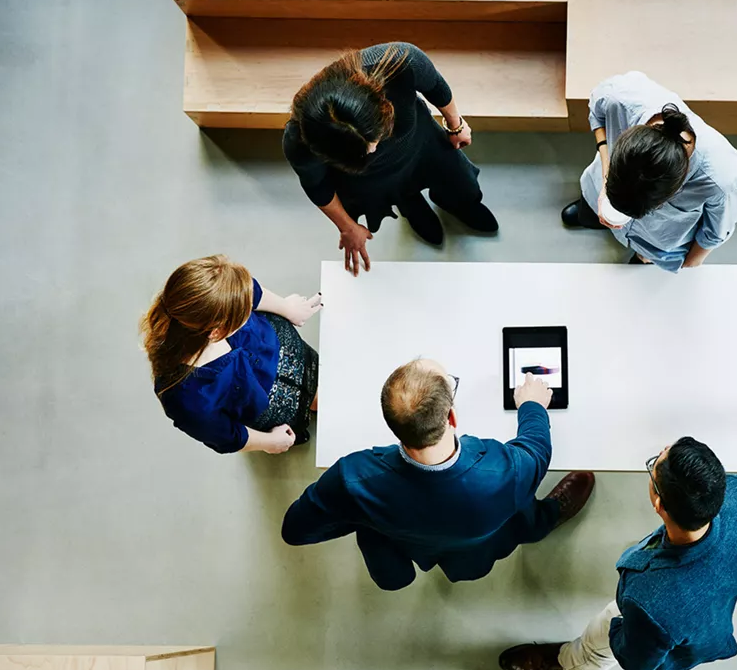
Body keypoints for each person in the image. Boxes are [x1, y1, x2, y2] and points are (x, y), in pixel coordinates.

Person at [280, 359, 594, 590]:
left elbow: (296, 530)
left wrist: (364, 517)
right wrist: (532, 406)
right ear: (452, 416)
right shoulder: (502, 469)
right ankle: (545, 518)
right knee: (520, 506)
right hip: (477, 546)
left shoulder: (353, 479)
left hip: (411, 543)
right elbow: (537, 450)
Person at [499, 438, 737, 670]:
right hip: (708, 599)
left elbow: (637, 661)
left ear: (659, 503)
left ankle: (566, 660)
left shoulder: (649, 603)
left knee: (600, 638)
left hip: (667, 622)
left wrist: (617, 628)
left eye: (654, 466)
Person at [285, 42, 498, 271]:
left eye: (374, 140)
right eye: (362, 151)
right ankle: (413, 208)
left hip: (422, 144)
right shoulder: (300, 139)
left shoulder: (399, 63)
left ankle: (458, 204)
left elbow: (436, 86)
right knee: (402, 197)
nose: (373, 151)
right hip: (370, 178)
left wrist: (456, 125)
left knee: (463, 184)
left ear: (382, 105)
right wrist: (347, 227)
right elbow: (317, 186)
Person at [560, 71, 737, 272]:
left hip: (655, 241)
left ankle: (643, 256)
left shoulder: (721, 179)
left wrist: (688, 262)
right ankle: (589, 211)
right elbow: (597, 110)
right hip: (597, 189)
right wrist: (606, 176)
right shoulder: (620, 97)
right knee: (588, 212)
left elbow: (715, 233)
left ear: (675, 190)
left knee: (641, 267)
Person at [142, 255, 322, 454]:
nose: (251, 306)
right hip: (271, 406)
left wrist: (287, 308)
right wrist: (269, 442)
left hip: (281, 349)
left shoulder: (217, 293)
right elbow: (226, 435)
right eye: (244, 312)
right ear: (217, 332)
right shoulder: (184, 397)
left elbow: (251, 291)